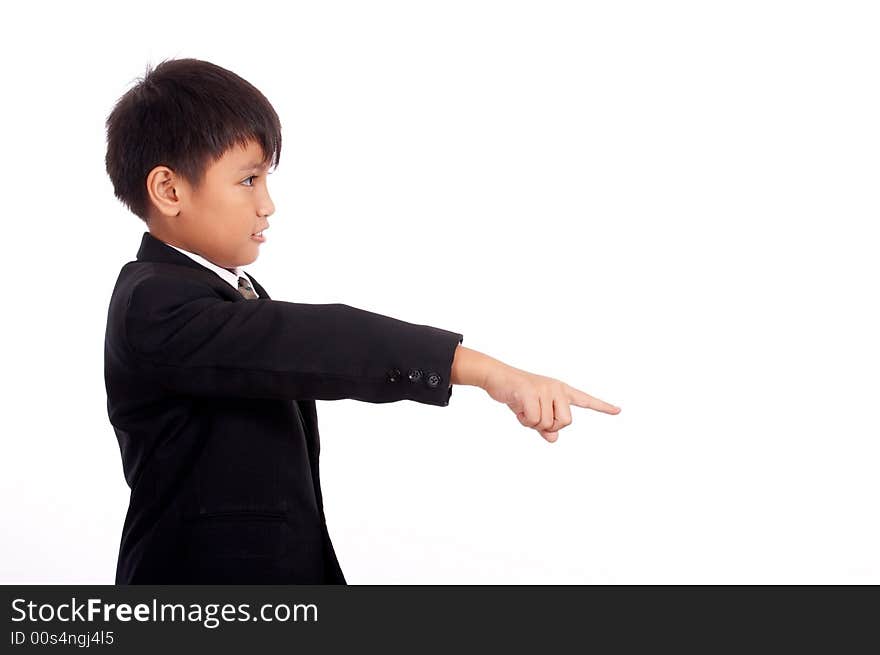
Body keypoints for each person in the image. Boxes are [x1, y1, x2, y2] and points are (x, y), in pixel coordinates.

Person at [103, 57, 622, 584]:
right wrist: (487, 372)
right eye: (248, 180)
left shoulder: (230, 293)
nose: (268, 205)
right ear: (169, 190)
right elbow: (318, 341)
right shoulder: (154, 303)